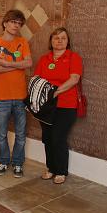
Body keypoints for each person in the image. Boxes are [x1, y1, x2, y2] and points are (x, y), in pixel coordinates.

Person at [33, 27, 83, 184]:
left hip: (66, 105)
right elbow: (37, 79)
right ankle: (51, 168)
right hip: (46, 106)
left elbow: (74, 79)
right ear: (51, 41)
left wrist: (55, 92)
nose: (59, 41)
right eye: (56, 38)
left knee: (58, 137)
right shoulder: (44, 59)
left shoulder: (74, 57)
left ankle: (61, 171)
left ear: (68, 42)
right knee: (47, 137)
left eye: (63, 38)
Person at [0, 9, 32, 177]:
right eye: (13, 22)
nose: (16, 26)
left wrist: (5, 64)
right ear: (5, 23)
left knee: (20, 134)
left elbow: (28, 63)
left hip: (20, 96)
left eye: (19, 24)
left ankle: (18, 163)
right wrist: (16, 64)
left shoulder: (23, 42)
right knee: (2, 134)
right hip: (1, 97)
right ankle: (4, 161)